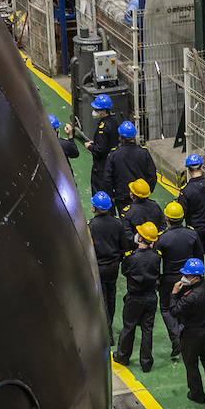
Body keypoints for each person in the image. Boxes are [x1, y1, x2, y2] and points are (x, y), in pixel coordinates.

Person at [170, 258, 205, 409]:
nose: (184, 277)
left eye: (187, 274)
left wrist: (174, 293)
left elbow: (174, 311)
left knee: (191, 363)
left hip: (192, 334)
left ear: (195, 277)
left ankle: (197, 394)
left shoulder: (190, 297)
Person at [156, 202, 205, 361]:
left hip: (169, 278)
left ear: (167, 218)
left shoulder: (162, 238)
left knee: (166, 308)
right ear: (182, 217)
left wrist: (157, 279)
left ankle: (176, 337)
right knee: (186, 306)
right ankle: (187, 338)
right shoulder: (192, 234)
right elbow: (199, 255)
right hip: (189, 277)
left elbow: (156, 261)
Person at [115, 222, 162, 373]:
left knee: (129, 327)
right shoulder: (156, 257)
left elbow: (125, 272)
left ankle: (123, 356)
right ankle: (146, 362)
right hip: (150, 298)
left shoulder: (131, 257)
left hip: (134, 298)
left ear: (140, 238)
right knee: (147, 330)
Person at [178, 153, 205, 289]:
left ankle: (199, 281)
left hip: (194, 227)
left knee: (197, 253)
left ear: (188, 169)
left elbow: (182, 211)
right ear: (202, 166)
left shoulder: (186, 191)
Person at [87, 191, 126, 345]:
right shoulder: (117, 223)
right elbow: (124, 245)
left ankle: (107, 332)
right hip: (113, 266)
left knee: (102, 300)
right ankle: (108, 325)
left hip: (99, 266)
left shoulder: (92, 226)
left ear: (95, 208)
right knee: (111, 296)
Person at [108, 120, 158, 211]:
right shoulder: (144, 153)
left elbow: (107, 178)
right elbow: (152, 175)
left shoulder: (114, 155)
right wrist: (147, 191)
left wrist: (111, 196)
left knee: (126, 222)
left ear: (120, 137)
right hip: (141, 196)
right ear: (134, 136)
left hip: (122, 197)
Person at [85, 93, 120, 195]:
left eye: (97, 110)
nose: (94, 112)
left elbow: (100, 150)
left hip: (101, 166)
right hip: (111, 163)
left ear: (104, 111)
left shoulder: (103, 128)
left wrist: (90, 146)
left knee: (100, 192)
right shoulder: (113, 121)